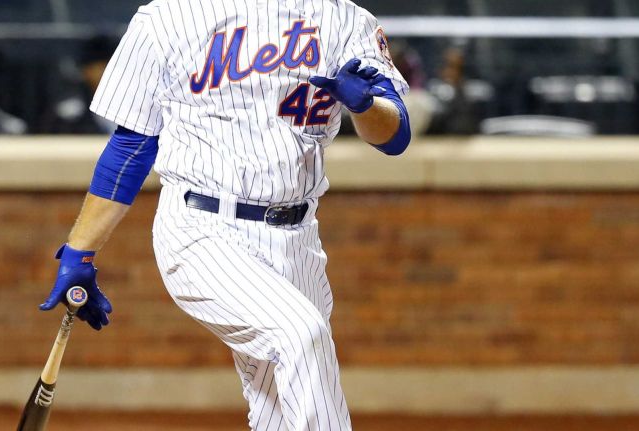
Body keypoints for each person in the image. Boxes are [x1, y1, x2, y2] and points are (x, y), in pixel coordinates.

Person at [39, 1, 411, 430]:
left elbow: (395, 136)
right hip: (202, 229)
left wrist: (366, 107)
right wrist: (79, 251)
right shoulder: (167, 17)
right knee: (299, 334)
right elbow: (131, 147)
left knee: (277, 413)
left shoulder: (343, 18)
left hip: (299, 241)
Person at [42, 35, 118, 134]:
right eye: (100, 67)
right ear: (86, 70)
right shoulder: (73, 109)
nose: (105, 72)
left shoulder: (132, 104)